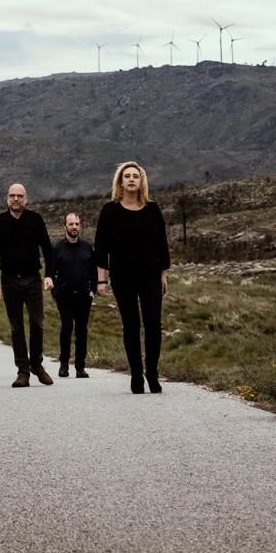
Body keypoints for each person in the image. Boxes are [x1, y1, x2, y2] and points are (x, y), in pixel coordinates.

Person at [94, 161, 171, 394]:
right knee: (131, 325)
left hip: (150, 274)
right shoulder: (110, 211)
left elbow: (162, 244)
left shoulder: (152, 209)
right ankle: (136, 374)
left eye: (135, 176)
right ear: (120, 181)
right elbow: (101, 248)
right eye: (126, 176)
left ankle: (152, 373)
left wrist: (163, 275)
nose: (130, 179)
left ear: (141, 181)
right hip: (122, 275)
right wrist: (101, 280)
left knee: (153, 325)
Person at [0, 183, 56, 388]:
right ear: (7, 198)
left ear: (26, 199)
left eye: (20, 196)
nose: (16, 199)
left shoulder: (35, 220)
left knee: (37, 324)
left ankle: (37, 364)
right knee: (16, 327)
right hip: (9, 280)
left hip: (32, 279)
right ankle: (23, 371)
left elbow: (48, 250)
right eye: (12, 196)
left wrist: (49, 275)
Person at [50, 212, 95, 378]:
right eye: (71, 224)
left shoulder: (87, 247)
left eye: (77, 224)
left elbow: (93, 271)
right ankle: (63, 365)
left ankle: (80, 367)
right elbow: (50, 271)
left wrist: (93, 290)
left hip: (84, 295)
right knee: (67, 327)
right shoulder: (57, 248)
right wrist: (55, 291)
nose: (74, 227)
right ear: (65, 227)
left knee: (82, 330)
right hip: (64, 295)